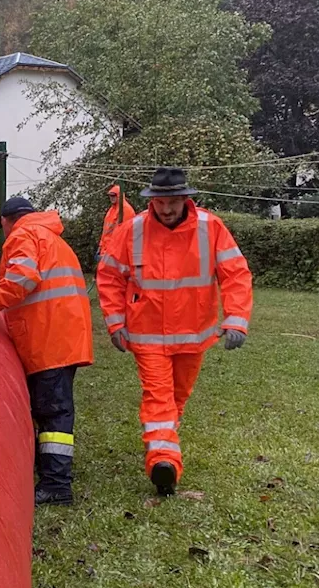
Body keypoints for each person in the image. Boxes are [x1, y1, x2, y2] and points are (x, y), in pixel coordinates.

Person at [97, 168, 253, 496]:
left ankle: (165, 449)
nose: (166, 209)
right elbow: (110, 275)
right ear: (151, 200)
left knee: (176, 399)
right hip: (147, 335)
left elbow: (235, 273)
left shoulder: (211, 228)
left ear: (186, 199)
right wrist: (115, 322)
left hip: (194, 335)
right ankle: (163, 461)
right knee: (158, 396)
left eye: (172, 202)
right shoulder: (132, 230)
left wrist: (237, 318)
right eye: (160, 202)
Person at [0, 197, 94, 506]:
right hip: (62, 333)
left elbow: (22, 278)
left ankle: (57, 485)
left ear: (7, 221)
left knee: (54, 413)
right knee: (51, 408)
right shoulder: (50, 237)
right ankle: (49, 472)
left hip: (50, 337)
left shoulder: (23, 235)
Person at [99, 184, 136, 261]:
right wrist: (101, 245)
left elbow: (123, 233)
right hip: (106, 249)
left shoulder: (126, 210)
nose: (111, 198)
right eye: (110, 196)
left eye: (114, 196)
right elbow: (105, 231)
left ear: (119, 196)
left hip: (115, 251)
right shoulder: (111, 210)